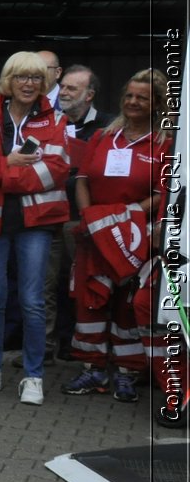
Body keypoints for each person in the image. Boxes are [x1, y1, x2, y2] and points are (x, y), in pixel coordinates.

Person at [0, 50, 71, 406]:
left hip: (35, 224)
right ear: (9, 80)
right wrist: (8, 163)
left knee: (32, 301)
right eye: (22, 77)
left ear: (46, 83)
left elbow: (54, 171)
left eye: (37, 78)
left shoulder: (55, 120)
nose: (29, 84)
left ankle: (34, 376)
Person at [63, 69, 169, 404]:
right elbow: (82, 179)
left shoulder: (165, 142)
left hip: (134, 235)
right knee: (90, 300)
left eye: (143, 97)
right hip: (94, 233)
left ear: (157, 104)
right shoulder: (103, 135)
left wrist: (121, 217)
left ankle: (127, 373)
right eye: (129, 95)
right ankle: (93, 371)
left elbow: (162, 192)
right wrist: (91, 218)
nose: (133, 102)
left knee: (126, 305)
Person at [50, 64, 108, 359]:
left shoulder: (107, 127)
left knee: (82, 282)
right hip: (51, 214)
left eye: (72, 88)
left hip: (84, 216)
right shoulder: (50, 123)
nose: (64, 91)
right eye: (63, 86)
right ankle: (57, 343)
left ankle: (84, 345)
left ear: (90, 95)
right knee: (55, 283)